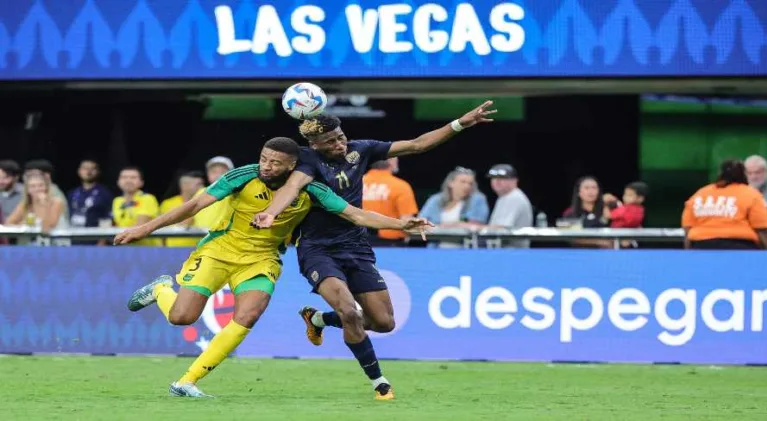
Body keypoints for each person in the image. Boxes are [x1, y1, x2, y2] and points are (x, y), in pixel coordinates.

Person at [115, 137, 431, 398]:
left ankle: (186, 382)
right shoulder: (243, 175)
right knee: (181, 317)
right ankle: (159, 289)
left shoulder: (312, 189)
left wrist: (402, 224)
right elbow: (195, 205)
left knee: (248, 315)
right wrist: (145, 229)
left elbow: (356, 215)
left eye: (274, 162)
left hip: (262, 258)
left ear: (292, 166)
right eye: (264, 159)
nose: (266, 166)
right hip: (218, 251)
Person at [251, 102, 495, 400]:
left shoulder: (361, 150)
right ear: (314, 145)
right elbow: (291, 189)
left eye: (340, 136)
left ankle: (317, 320)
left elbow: (417, 145)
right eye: (330, 141)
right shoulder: (308, 160)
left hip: (356, 246)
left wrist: (460, 123)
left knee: (383, 322)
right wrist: (271, 213)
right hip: (317, 250)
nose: (339, 144)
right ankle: (380, 383)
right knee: (350, 312)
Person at [682, 159, 767, 249]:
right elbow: (762, 229)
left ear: (720, 174)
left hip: (701, 246)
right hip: (740, 247)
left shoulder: (700, 194)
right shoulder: (751, 194)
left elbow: (687, 228)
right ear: (744, 174)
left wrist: (689, 253)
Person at [419, 167, 490, 248]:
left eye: (470, 183)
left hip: (466, 248)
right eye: (463, 182)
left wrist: (443, 226)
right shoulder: (436, 199)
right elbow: (420, 222)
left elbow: (476, 225)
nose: (467, 186)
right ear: (451, 183)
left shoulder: (478, 199)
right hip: (436, 247)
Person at [362, 157, 419, 246]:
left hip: (356, 242)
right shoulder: (401, 186)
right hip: (390, 244)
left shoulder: (356, 183)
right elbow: (406, 221)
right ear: (391, 161)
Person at [5, 172, 68, 245]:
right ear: (27, 190)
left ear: (46, 187)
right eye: (32, 186)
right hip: (31, 243)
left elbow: (48, 226)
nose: (37, 189)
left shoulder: (56, 202)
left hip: (55, 243)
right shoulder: (25, 204)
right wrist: (25, 224)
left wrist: (43, 204)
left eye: (41, 185)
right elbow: (8, 223)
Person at [485, 164, 533, 248]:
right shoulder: (504, 197)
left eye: (502, 178)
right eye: (494, 178)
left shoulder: (514, 198)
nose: (497, 181)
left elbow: (502, 230)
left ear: (514, 181)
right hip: (504, 250)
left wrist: (475, 228)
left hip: (513, 253)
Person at [68, 159, 114, 245]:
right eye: (85, 168)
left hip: (94, 240)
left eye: (92, 168)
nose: (89, 171)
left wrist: (102, 241)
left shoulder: (104, 193)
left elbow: (107, 217)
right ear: (79, 171)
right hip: (73, 239)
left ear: (98, 172)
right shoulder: (72, 193)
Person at [112, 166, 160, 246]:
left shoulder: (147, 198)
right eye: (124, 177)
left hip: (147, 250)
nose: (128, 180)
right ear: (118, 182)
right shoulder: (117, 201)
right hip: (124, 249)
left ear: (141, 182)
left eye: (133, 177)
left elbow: (140, 226)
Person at [160, 171, 206, 247]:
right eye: (198, 184)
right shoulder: (167, 204)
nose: (202, 187)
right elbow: (161, 228)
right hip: (172, 250)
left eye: (202, 184)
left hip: (199, 250)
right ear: (184, 186)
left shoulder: (205, 203)